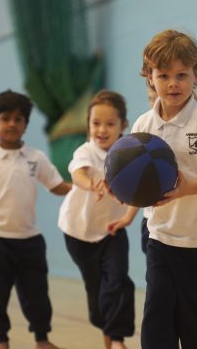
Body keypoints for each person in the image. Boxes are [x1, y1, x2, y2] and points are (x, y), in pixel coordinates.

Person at [108, 29, 197, 349]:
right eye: (163, 75)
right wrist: (122, 187)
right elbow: (131, 175)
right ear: (150, 78)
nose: (173, 83)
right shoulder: (142, 126)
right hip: (162, 240)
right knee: (156, 330)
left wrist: (188, 187)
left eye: (182, 75)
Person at [0, 90, 72, 349]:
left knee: (37, 294)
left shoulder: (36, 158)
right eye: (5, 118)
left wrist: (85, 187)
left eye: (18, 119)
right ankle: (1, 339)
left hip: (30, 241)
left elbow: (57, 185)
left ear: (25, 124)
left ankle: (42, 339)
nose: (12, 124)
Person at [58, 90, 135, 349]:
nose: (102, 130)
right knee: (98, 290)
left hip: (112, 231)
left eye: (110, 124)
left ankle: (116, 340)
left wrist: (128, 215)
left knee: (118, 281)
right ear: (88, 124)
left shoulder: (129, 154)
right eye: (95, 123)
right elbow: (77, 175)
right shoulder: (85, 151)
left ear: (122, 125)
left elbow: (138, 188)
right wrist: (92, 184)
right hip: (77, 232)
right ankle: (108, 333)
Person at [140, 85, 197, 254]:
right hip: (156, 224)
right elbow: (137, 176)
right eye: (152, 98)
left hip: (194, 229)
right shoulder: (147, 129)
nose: (156, 103)